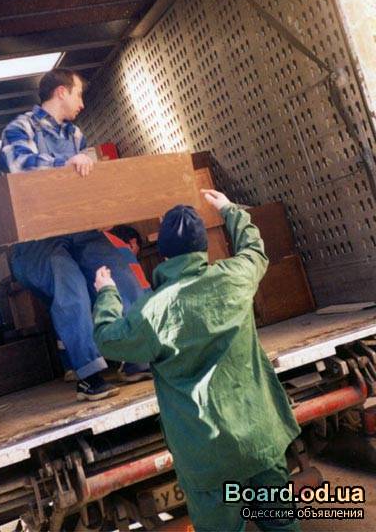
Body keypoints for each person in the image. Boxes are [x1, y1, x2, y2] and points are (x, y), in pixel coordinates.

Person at [92, 190, 301, 531]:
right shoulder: (234, 277)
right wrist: (230, 210)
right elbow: (254, 250)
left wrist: (107, 292)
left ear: (162, 254)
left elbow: (108, 340)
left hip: (205, 455)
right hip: (259, 438)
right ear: (204, 247)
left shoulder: (151, 311)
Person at [0, 68, 150, 401]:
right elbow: (17, 164)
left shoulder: (76, 135)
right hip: (38, 238)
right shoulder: (20, 128)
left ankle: (136, 357)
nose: (82, 103)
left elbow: (83, 188)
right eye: (79, 94)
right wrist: (63, 164)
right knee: (70, 284)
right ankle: (88, 375)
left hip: (78, 231)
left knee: (120, 268)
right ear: (61, 92)